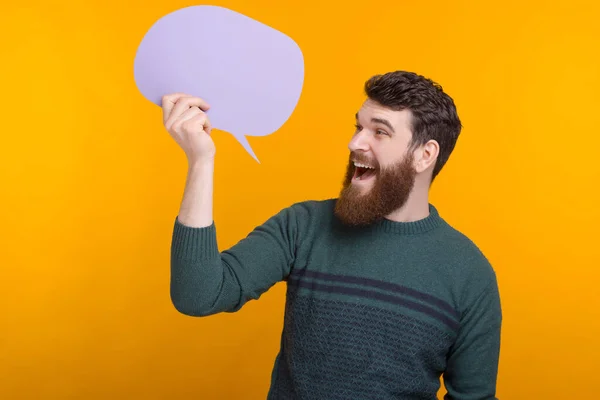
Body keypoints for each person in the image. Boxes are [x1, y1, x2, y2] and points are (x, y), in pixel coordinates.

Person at [162, 70, 502, 400]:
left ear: (424, 155)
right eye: (359, 127)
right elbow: (198, 294)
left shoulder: (469, 273)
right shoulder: (303, 225)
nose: (355, 142)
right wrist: (200, 161)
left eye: (379, 132)